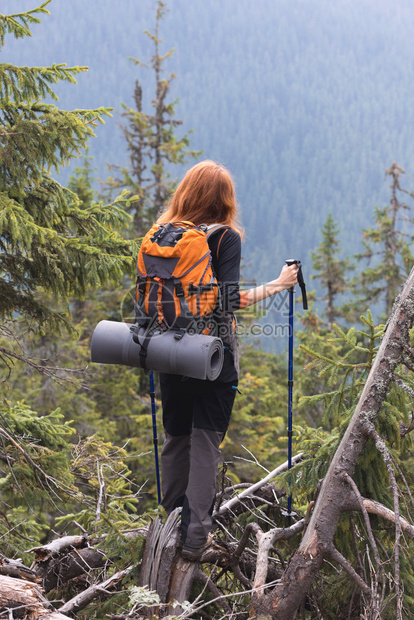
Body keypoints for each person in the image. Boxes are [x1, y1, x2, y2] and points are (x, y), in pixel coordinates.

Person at [157, 160, 298, 561]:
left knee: (176, 436)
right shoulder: (224, 239)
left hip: (169, 350)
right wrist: (279, 284)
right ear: (225, 200)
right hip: (211, 356)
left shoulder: (166, 234)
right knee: (204, 441)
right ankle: (195, 538)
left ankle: (171, 523)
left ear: (185, 193)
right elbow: (229, 299)